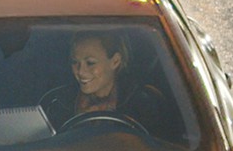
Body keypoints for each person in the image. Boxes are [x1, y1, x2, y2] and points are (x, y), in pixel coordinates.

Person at [39, 30, 170, 135]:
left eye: (90, 63)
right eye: (75, 62)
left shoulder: (143, 103)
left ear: (115, 61)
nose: (80, 71)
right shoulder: (55, 103)